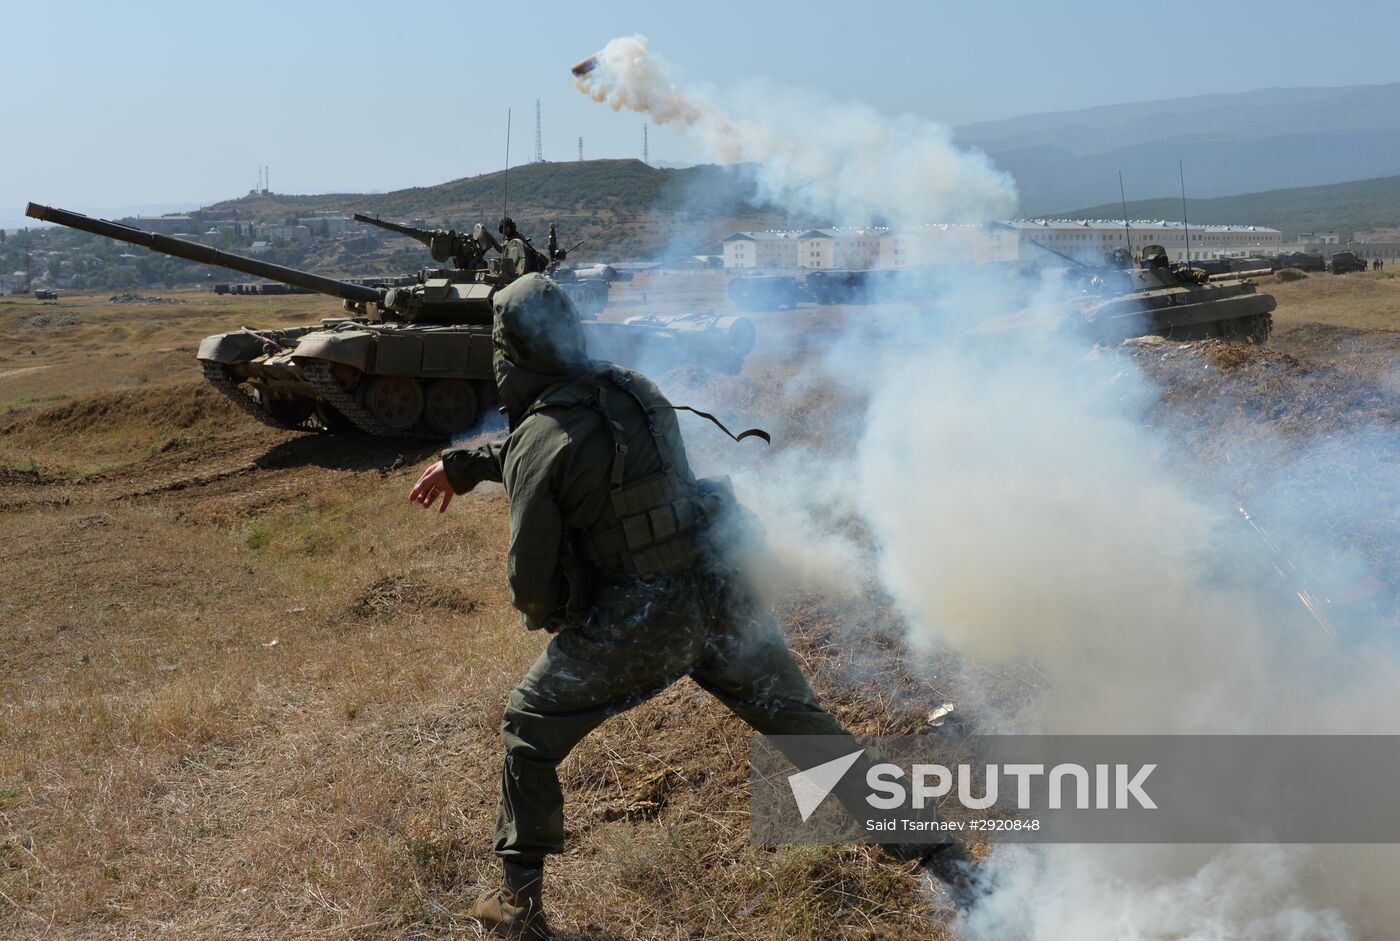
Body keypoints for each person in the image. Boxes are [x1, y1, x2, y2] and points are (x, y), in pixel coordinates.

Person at [409, 274, 974, 938]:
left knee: (527, 726)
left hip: (641, 622)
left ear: (509, 351)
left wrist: (559, 616)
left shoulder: (542, 435)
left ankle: (518, 911)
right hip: (721, 592)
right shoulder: (632, 389)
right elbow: (549, 445)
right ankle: (927, 841)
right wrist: (468, 465)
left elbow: (528, 580)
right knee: (805, 725)